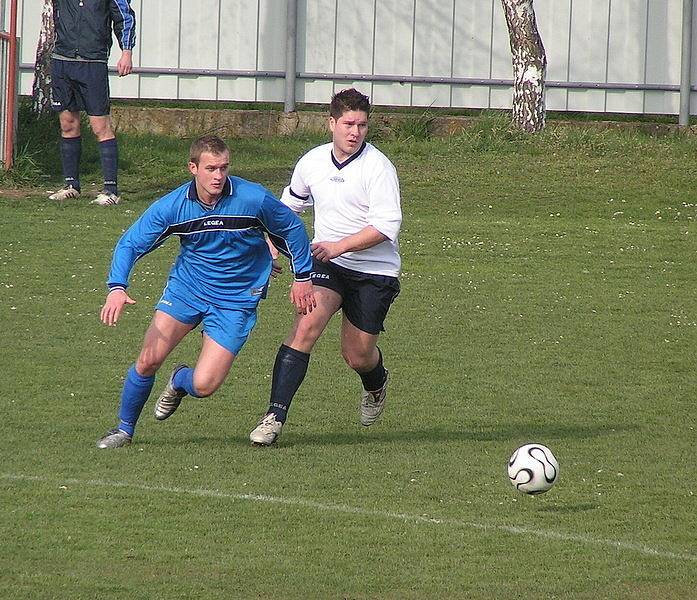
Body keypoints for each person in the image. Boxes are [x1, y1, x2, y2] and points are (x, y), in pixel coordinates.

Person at [96, 135, 315, 448]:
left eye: (224, 168)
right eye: (211, 168)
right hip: (188, 290)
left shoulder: (252, 198)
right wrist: (117, 287)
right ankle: (124, 430)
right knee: (147, 360)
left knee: (204, 384)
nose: (218, 176)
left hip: (236, 301)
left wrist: (303, 276)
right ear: (192, 168)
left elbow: (290, 228)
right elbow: (131, 243)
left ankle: (180, 379)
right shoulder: (173, 207)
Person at [249, 88, 402, 446]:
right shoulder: (312, 162)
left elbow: (384, 228)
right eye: (349, 124)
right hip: (327, 265)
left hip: (375, 272)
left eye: (363, 125)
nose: (355, 132)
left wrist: (338, 246)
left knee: (357, 354)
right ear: (331, 123)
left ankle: (376, 382)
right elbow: (286, 211)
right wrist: (269, 245)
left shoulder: (378, 168)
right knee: (306, 326)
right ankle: (274, 417)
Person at [48, 0, 137, 206]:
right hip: (63, 59)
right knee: (68, 124)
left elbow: (124, 17)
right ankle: (71, 186)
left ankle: (111, 190)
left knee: (100, 126)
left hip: (93, 62)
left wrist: (127, 51)